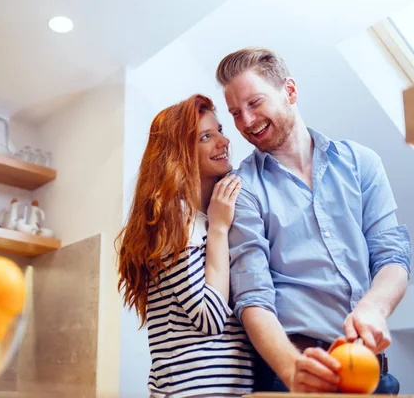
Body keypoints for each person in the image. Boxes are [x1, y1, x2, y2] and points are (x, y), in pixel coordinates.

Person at [215, 47, 412, 394]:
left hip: (369, 371)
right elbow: (251, 297)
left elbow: (392, 256)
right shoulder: (243, 189)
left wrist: (373, 307)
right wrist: (292, 370)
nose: (246, 122)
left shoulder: (362, 162)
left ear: (289, 91)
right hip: (291, 371)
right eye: (235, 112)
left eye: (255, 103)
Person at [116, 94, 254, 397]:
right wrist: (218, 228)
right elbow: (210, 317)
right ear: (179, 152)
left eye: (220, 130)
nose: (224, 141)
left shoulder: (205, 214)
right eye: (206, 136)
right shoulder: (175, 216)